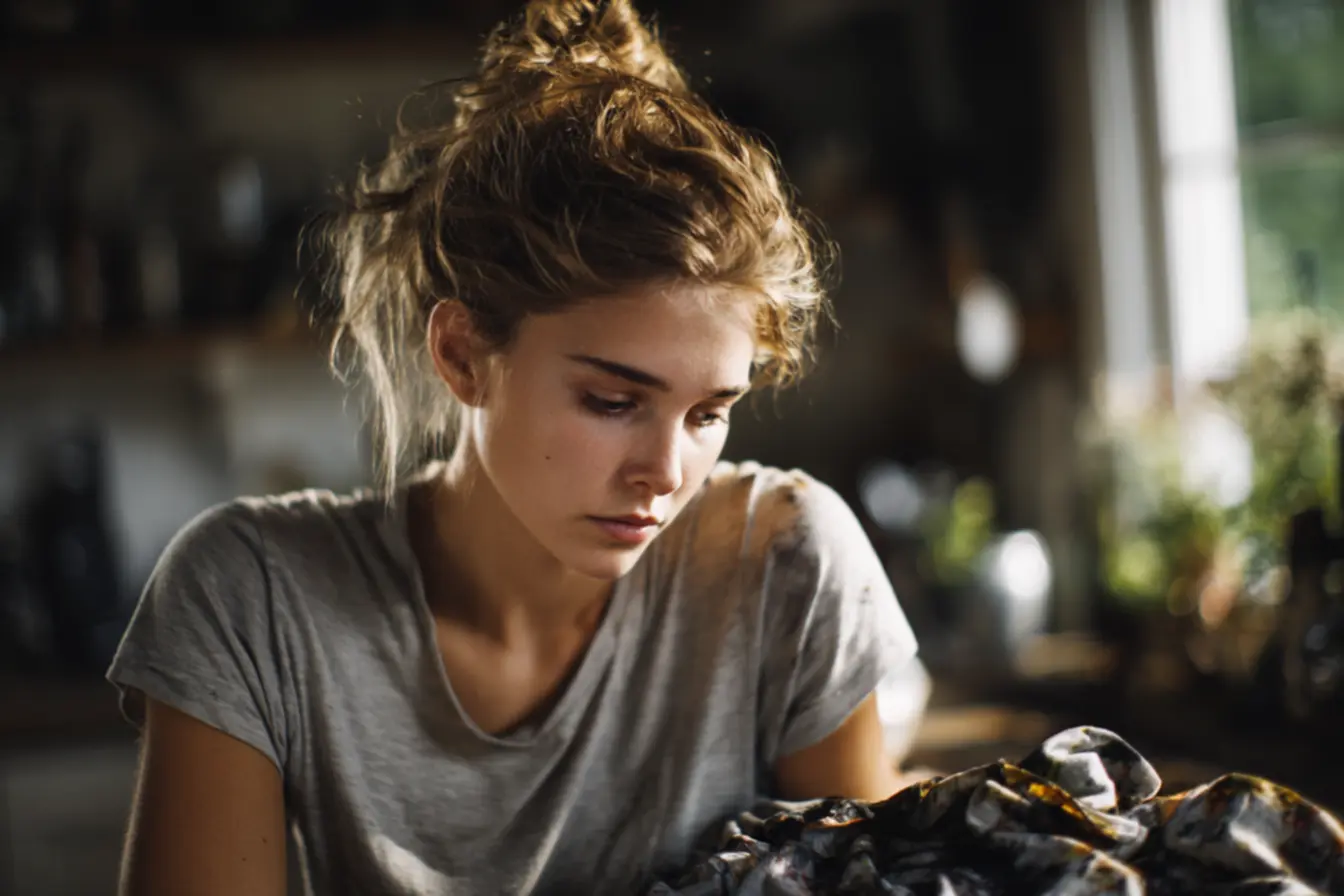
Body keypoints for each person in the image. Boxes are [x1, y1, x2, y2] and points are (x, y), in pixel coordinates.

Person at [109, 1, 926, 893]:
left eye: (707, 413)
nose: (665, 471)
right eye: (612, 400)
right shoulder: (251, 600)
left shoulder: (785, 567)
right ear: (463, 354)